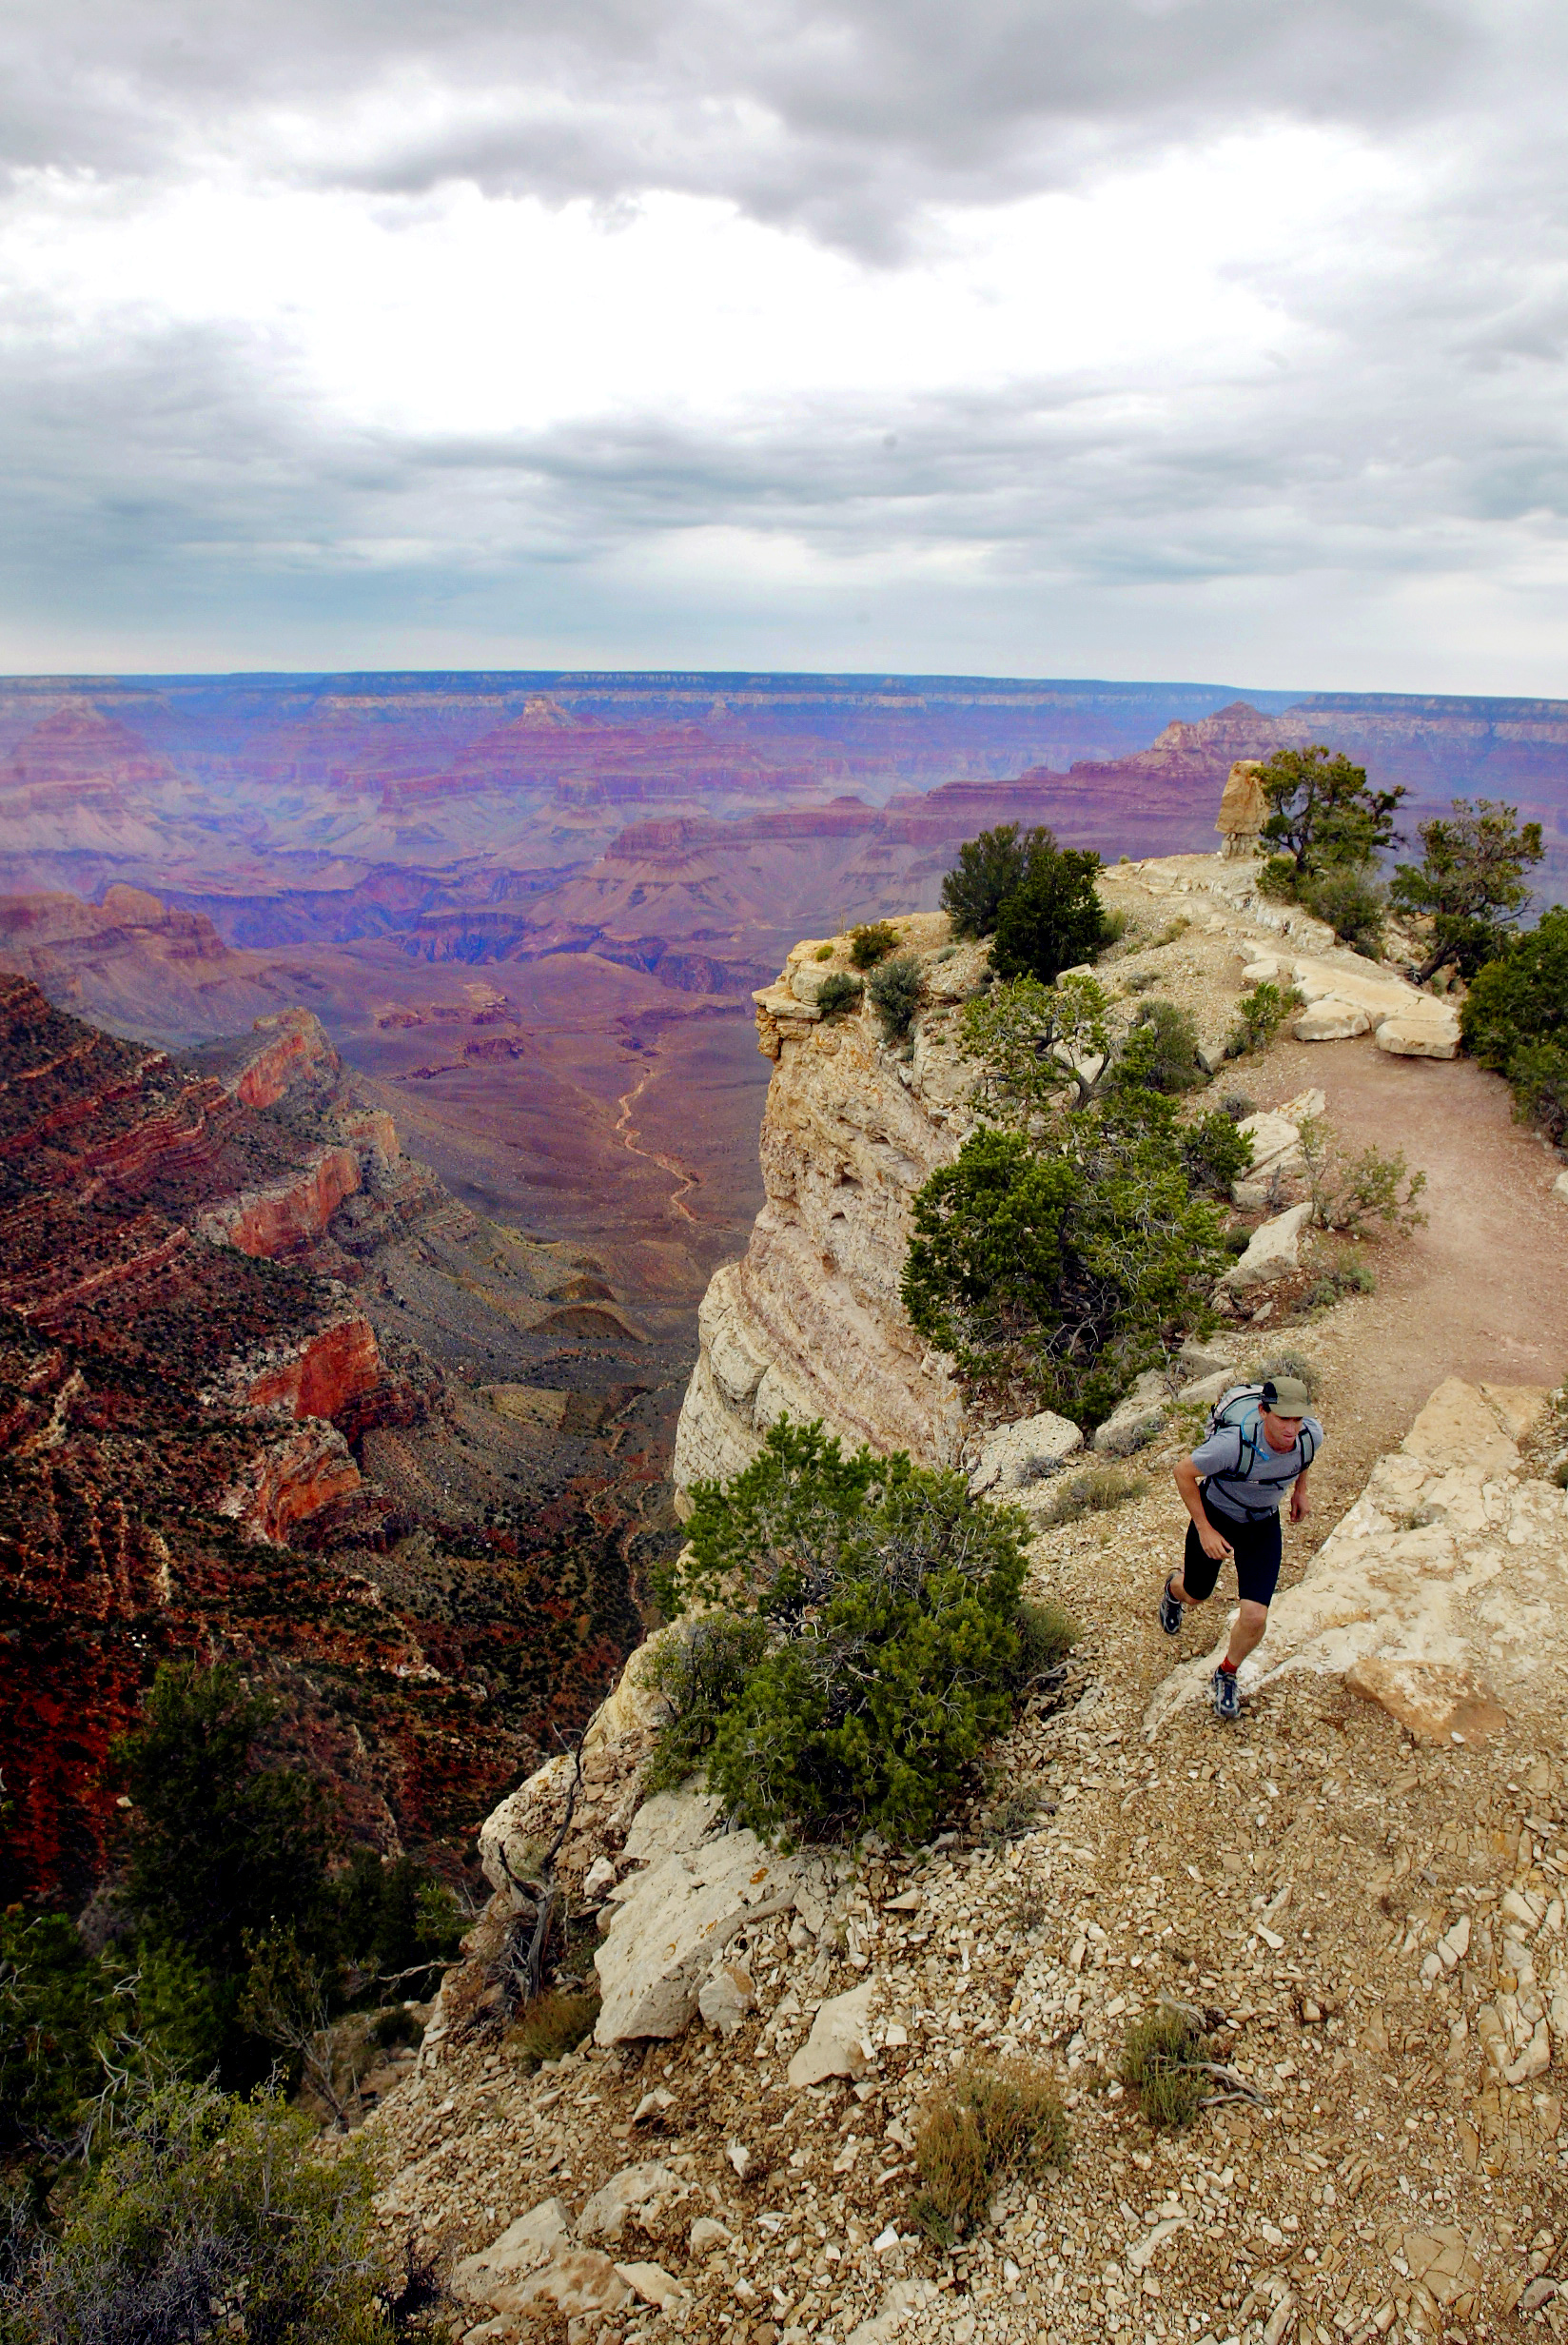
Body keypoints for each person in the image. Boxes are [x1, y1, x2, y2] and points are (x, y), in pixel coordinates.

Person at [1158, 1374, 1323, 1720]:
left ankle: (1227, 1672)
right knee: (1196, 1593)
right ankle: (1174, 1590)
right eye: (1283, 1419)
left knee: (1256, 1615)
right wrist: (1204, 1529)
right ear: (1263, 1412)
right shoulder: (1232, 1445)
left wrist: (1300, 1491)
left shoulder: (1311, 1436)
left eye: (1297, 1419)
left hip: (1262, 1524)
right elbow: (1183, 1473)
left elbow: (1303, 1460)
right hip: (1218, 1515)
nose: (1292, 1429)